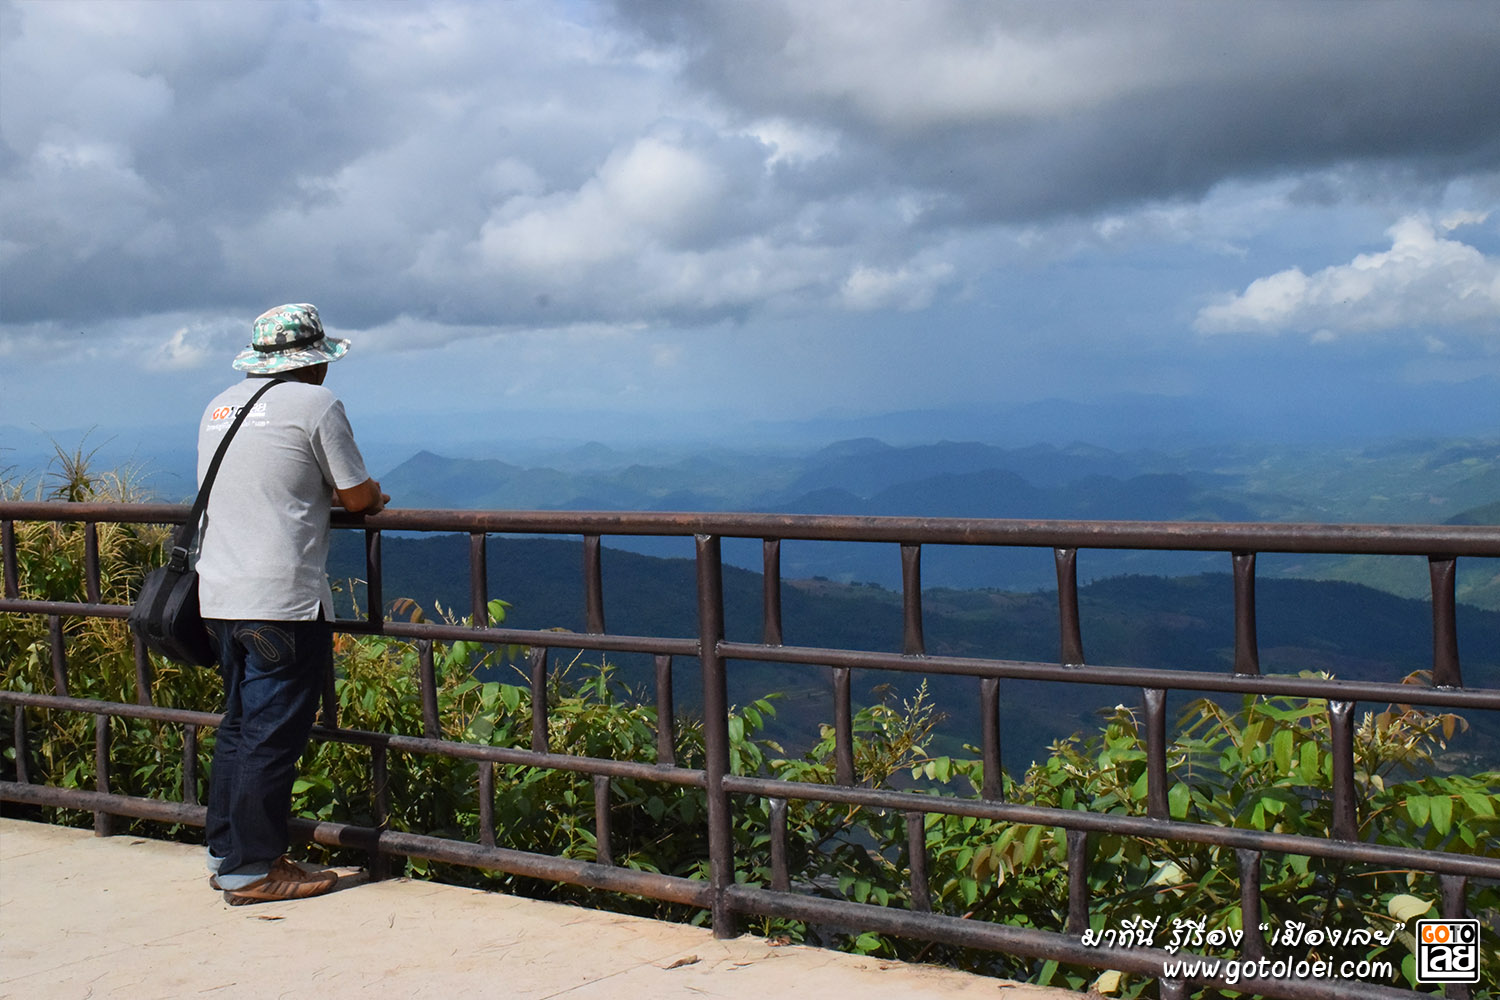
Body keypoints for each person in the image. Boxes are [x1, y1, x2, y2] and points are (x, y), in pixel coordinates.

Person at [195, 302, 389, 905]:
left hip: (217, 593)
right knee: (271, 734)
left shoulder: (220, 404)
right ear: (314, 364)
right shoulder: (316, 406)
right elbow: (357, 496)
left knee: (238, 727)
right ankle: (253, 870)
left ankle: (229, 853)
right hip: (281, 598)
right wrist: (374, 495)